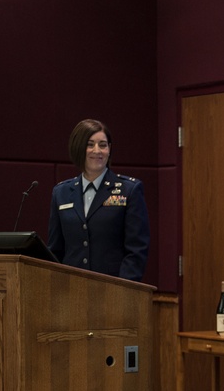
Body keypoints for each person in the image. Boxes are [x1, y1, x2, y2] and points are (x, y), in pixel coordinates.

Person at [48, 119, 150, 281]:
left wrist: (123, 289)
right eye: (90, 144)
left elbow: (136, 250)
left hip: (113, 290)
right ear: (79, 148)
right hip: (71, 289)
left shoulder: (129, 190)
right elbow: (55, 250)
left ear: (109, 149)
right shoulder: (61, 192)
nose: (97, 151)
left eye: (103, 145)